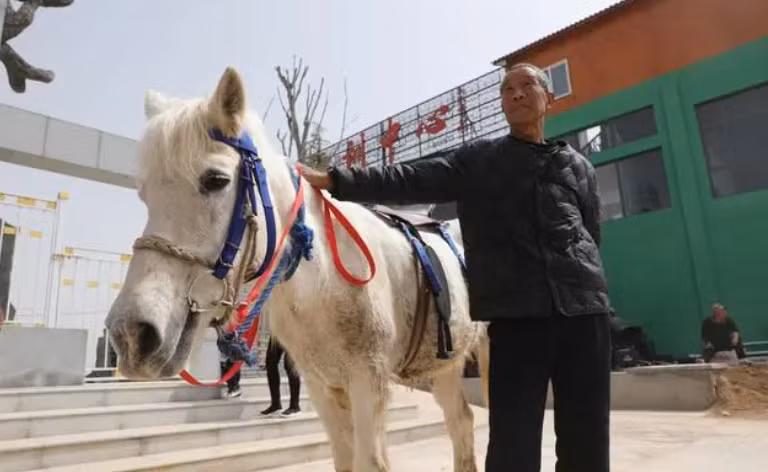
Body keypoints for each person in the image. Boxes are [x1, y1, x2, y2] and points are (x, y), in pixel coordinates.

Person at [301, 63, 612, 472]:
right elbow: (408, 177)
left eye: (527, 85)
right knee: (513, 445)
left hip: (584, 315)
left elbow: (591, 234)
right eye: (507, 88)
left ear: (548, 98)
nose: (516, 93)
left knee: (587, 438)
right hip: (519, 318)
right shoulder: (480, 162)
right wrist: (335, 181)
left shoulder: (578, 167)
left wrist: (587, 286)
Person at [260, 335, 302, 417]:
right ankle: (275, 405)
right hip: (278, 329)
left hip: (294, 330)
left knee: (290, 365)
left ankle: (295, 406)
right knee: (270, 362)